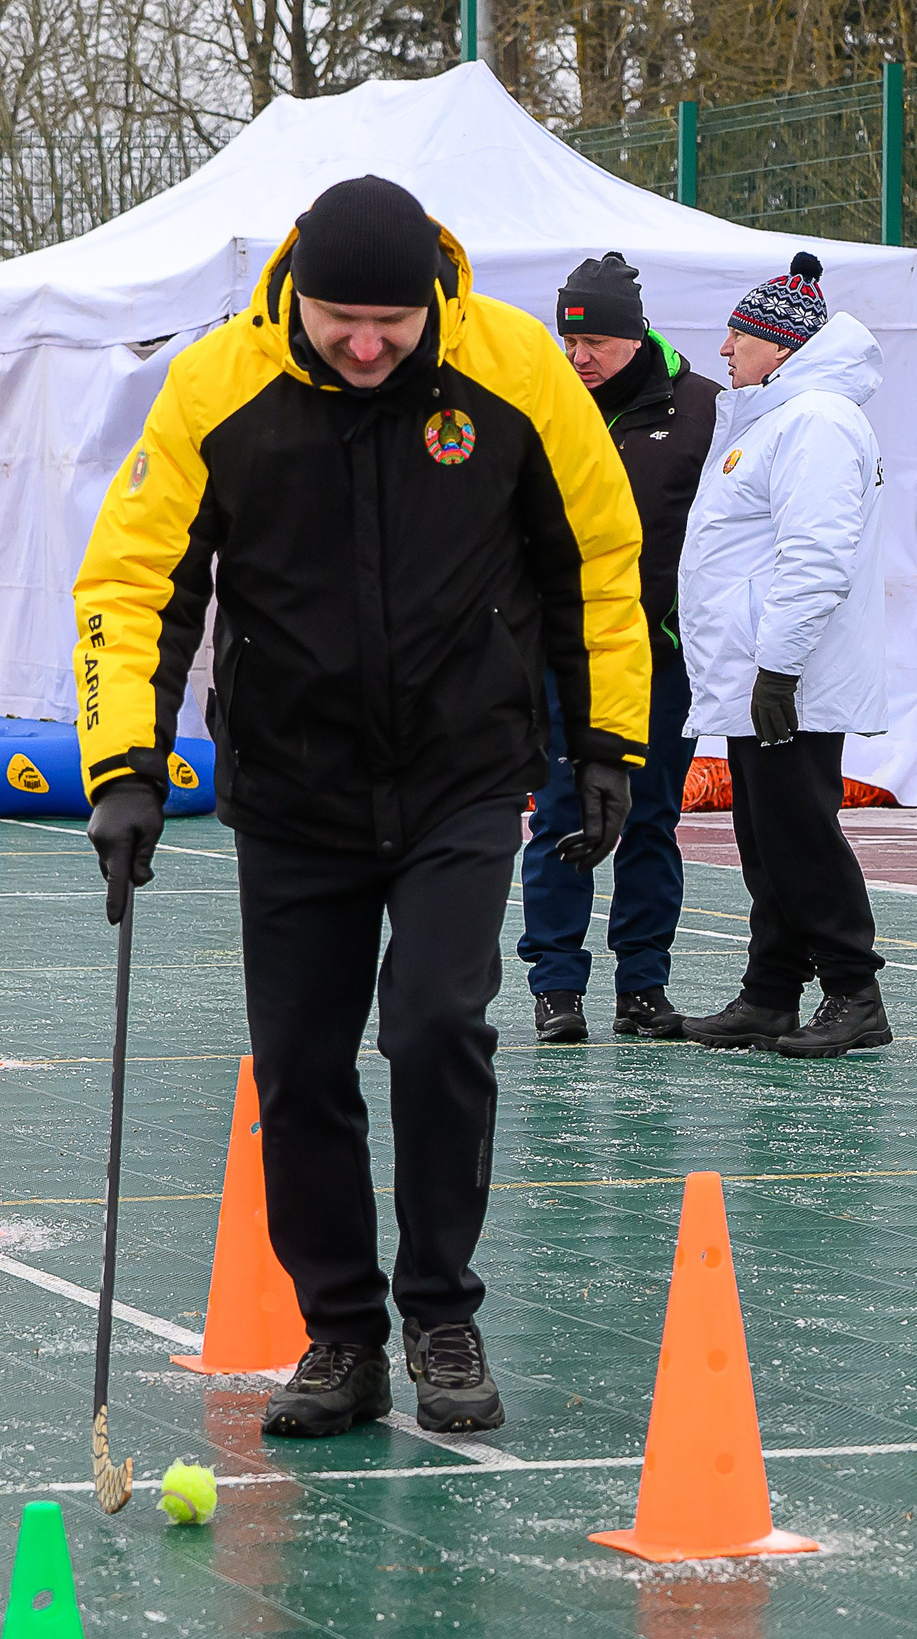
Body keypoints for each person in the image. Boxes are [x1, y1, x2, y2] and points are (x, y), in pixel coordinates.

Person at [70, 177, 649, 1438]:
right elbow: (134, 579)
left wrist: (607, 740)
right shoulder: (216, 386)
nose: (370, 343)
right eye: (343, 320)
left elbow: (593, 558)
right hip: (292, 783)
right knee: (300, 1066)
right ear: (298, 298)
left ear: (433, 298)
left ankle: (442, 1311)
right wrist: (124, 766)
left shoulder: (515, 374)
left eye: (393, 320)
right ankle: (340, 1334)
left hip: (460, 773)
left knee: (440, 1023)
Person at [675, 253, 896, 1059]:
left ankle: (853, 990)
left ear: (782, 345)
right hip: (763, 674)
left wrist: (779, 667)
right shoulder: (779, 419)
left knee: (799, 833)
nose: (725, 349)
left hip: (788, 679)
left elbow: (815, 556)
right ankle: (771, 993)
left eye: (740, 334)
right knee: (765, 834)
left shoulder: (817, 424)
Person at [520, 253, 720, 1043]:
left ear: (636, 335)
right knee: (561, 816)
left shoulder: (706, 409)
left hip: (661, 658)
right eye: (570, 340)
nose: (579, 357)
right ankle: (556, 988)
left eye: (596, 341)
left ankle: (643, 986)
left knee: (650, 820)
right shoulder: (542, 402)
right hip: (563, 656)